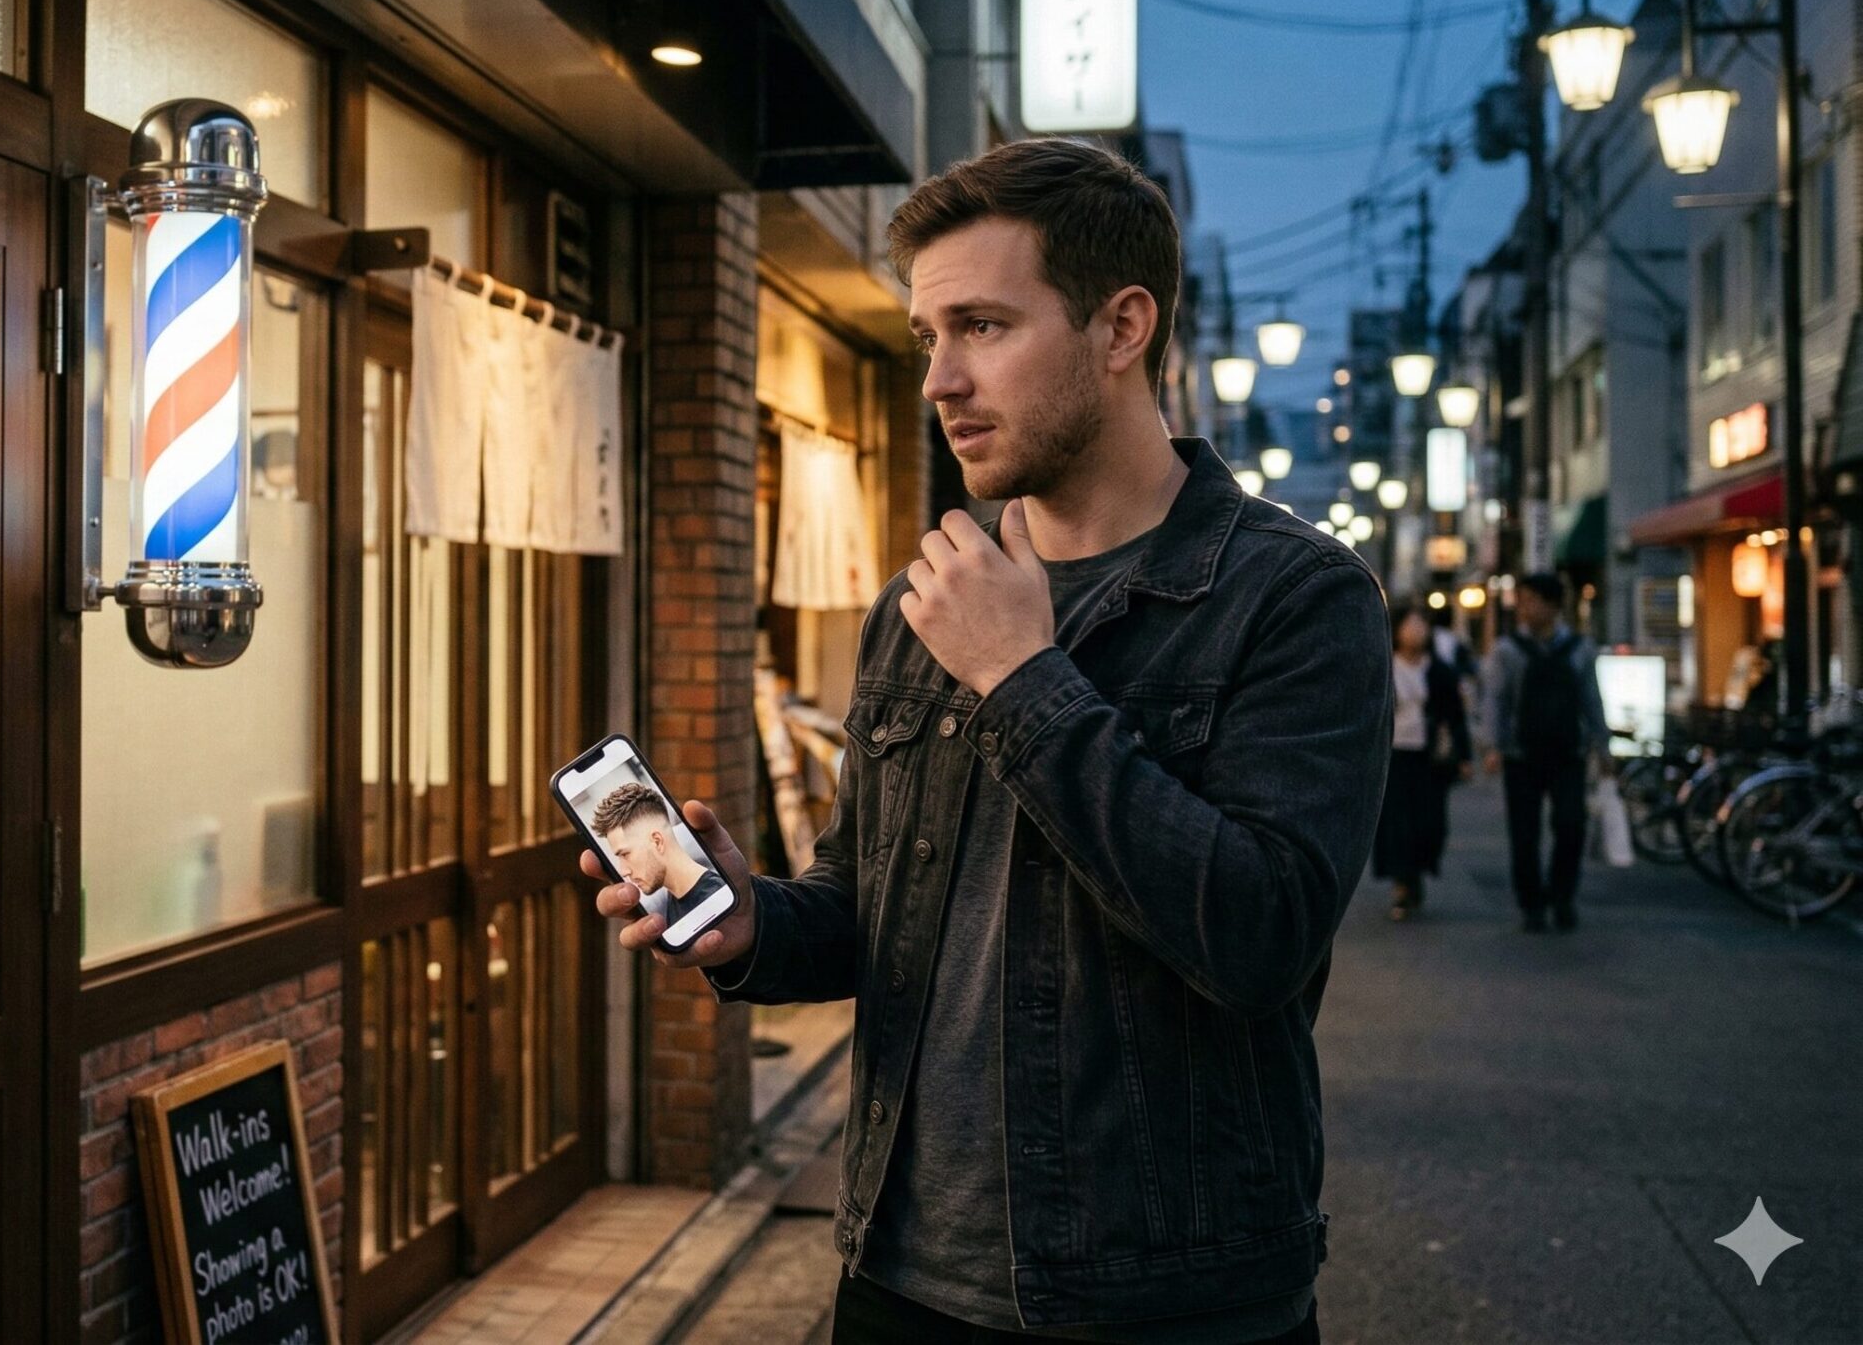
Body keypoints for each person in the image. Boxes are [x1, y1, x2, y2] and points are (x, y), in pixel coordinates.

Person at [583, 138, 1390, 1344]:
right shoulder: (925, 602)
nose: (938, 380)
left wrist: (1024, 678)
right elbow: (871, 908)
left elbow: (1260, 935)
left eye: (983, 327)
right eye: (927, 338)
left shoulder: (1293, 597)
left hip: (1163, 1298)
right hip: (896, 1271)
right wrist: (756, 925)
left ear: (1121, 327)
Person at [1481, 573, 1609, 932]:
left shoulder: (1580, 649)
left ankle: (1562, 895)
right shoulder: (1507, 650)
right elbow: (1496, 700)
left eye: (1531, 600)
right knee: (1524, 834)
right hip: (1521, 754)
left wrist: (1603, 743)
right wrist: (1493, 746)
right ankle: (1532, 904)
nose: (1523, 608)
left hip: (1569, 752)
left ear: (1553, 606)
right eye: (1521, 600)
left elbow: (1591, 699)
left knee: (1571, 826)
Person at [1375, 605, 1473, 920]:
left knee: (1428, 823)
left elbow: (1456, 717)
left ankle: (1415, 875)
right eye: (1410, 624)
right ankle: (1401, 886)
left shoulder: (1440, 671)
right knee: (1397, 823)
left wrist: (1465, 755)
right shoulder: (1383, 667)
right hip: (1394, 755)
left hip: (1431, 758)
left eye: (1421, 625)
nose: (1417, 631)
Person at [590, 780, 726, 904]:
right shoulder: (672, 900)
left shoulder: (712, 897)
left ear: (657, 842)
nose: (623, 871)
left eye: (625, 854)